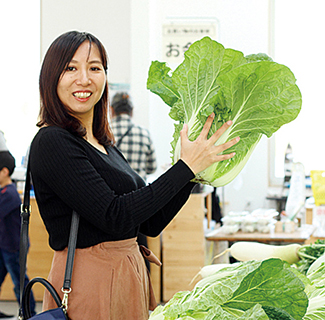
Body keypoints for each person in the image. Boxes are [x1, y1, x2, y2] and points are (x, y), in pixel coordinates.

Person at [28, 31, 239, 319]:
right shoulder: (52, 141)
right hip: (88, 281)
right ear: (51, 77)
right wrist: (184, 168)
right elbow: (115, 215)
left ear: (105, 76)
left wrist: (192, 174)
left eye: (94, 68)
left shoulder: (105, 145)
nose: (84, 79)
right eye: (70, 68)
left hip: (129, 271)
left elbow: (150, 223)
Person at [110, 92, 157, 271]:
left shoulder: (103, 132)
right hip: (140, 203)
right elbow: (152, 167)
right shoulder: (143, 134)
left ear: (112, 110)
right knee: (140, 252)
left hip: (111, 205)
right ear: (132, 111)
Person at [0, 132, 36, 318]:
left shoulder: (10, 194)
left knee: (19, 281)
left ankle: (29, 312)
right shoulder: (4, 191)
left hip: (14, 248)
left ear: (5, 171)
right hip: (4, 245)